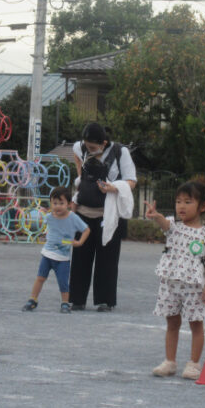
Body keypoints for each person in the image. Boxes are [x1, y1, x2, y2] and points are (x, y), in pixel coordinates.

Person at [145, 181, 205, 381]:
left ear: (202, 206)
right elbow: (163, 223)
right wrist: (156, 215)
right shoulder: (174, 227)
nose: (181, 206)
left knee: (196, 323)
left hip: (194, 285)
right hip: (170, 283)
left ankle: (193, 364)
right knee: (172, 322)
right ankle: (170, 361)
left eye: (187, 201)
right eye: (178, 202)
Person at [69, 123, 137, 312]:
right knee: (80, 256)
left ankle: (105, 300)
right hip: (83, 211)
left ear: (104, 142)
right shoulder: (79, 147)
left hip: (108, 213)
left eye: (93, 147)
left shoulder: (120, 152)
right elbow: (77, 157)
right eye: (87, 146)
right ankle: (76, 298)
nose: (89, 149)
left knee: (107, 258)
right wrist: (80, 175)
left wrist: (113, 187)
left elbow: (131, 181)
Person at [21, 186, 90, 313]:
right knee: (40, 278)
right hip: (47, 255)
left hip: (63, 259)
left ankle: (65, 303)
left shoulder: (73, 217)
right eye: (55, 203)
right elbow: (44, 225)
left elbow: (86, 230)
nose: (57, 206)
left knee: (63, 282)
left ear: (69, 204)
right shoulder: (49, 217)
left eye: (61, 203)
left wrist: (79, 242)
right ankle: (32, 299)